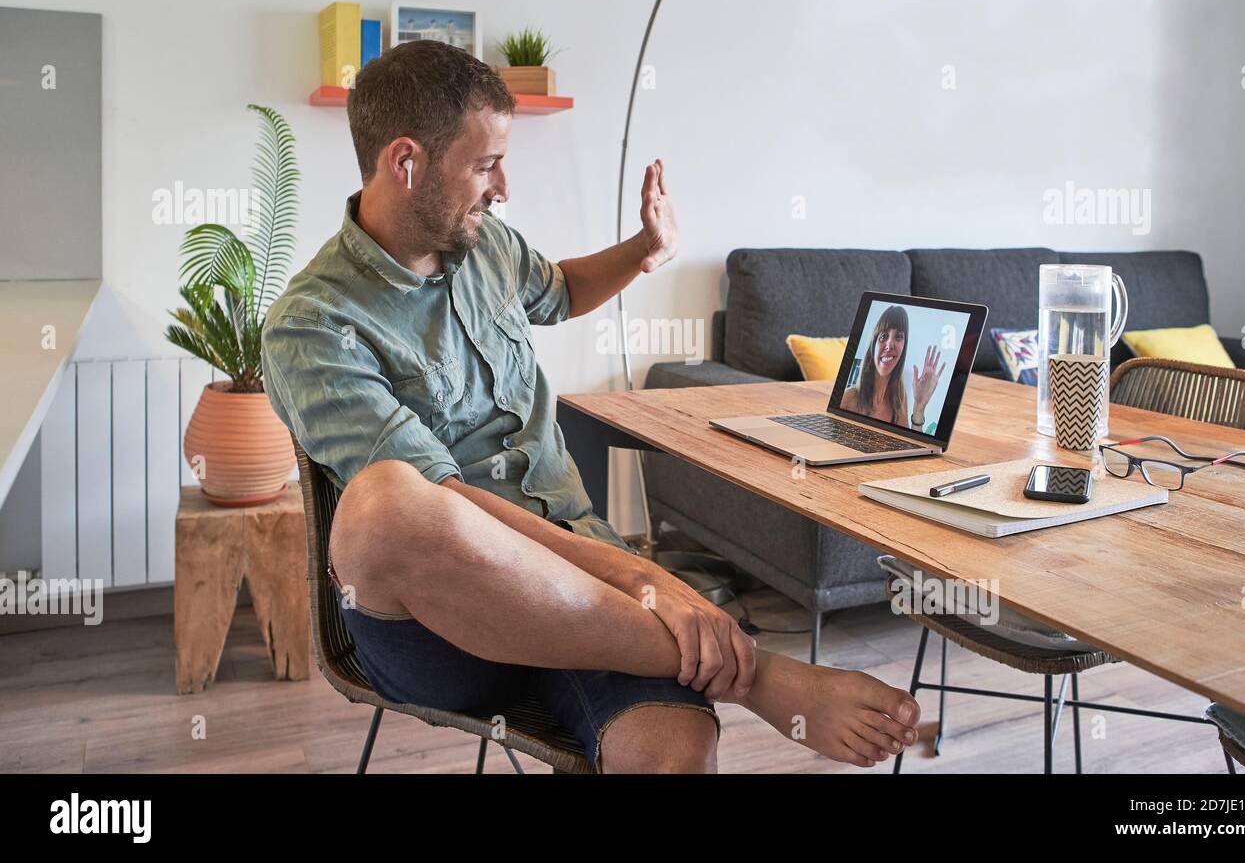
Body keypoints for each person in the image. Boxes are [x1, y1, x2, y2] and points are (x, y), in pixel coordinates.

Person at [262, 40, 920, 773]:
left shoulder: (485, 245)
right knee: (385, 502)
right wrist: (643, 580)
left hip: (588, 589)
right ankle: (758, 675)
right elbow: (442, 502)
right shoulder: (313, 325)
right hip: (444, 625)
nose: (502, 186)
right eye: (486, 164)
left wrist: (643, 248)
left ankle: (695, 653)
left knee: (672, 754)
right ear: (406, 162)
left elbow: (561, 290)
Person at [841, 306, 946, 434]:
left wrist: (919, 407)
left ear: (903, 347)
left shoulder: (899, 401)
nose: (890, 344)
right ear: (873, 345)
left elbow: (910, 444)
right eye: (884, 336)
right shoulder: (848, 398)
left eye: (898, 336)